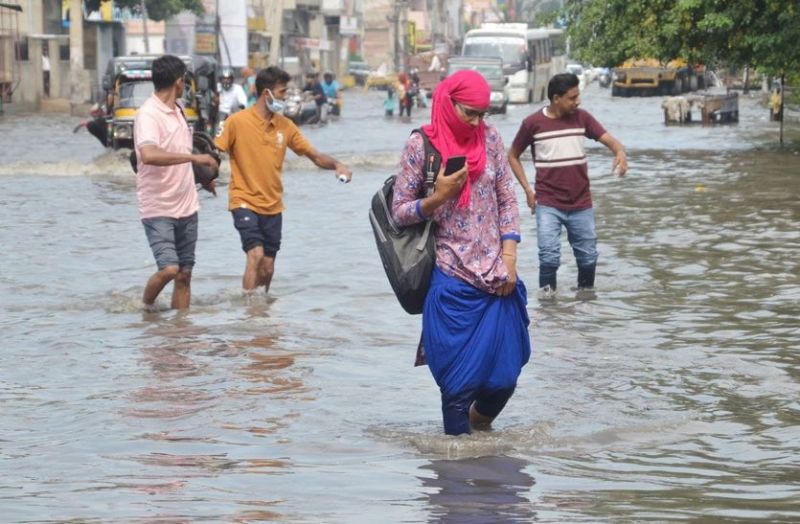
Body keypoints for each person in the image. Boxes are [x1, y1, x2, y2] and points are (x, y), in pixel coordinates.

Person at [391, 70, 531, 436]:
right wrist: (438, 197)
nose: (476, 121)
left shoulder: (491, 138)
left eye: (483, 113)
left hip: (497, 276)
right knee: (456, 387)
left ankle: (480, 437)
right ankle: (457, 476)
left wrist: (510, 258)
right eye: (469, 112)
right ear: (448, 103)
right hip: (451, 276)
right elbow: (399, 210)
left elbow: (507, 200)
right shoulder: (421, 145)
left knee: (503, 380)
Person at [214, 66, 352, 296]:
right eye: (281, 92)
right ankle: (248, 313)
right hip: (243, 200)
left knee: (267, 268)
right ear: (265, 92)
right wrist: (203, 175)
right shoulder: (236, 122)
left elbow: (315, 156)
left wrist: (338, 165)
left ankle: (261, 314)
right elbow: (213, 154)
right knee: (255, 255)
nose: (284, 97)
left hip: (273, 204)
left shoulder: (285, 126)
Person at [508, 73, 627, 294]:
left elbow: (611, 141)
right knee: (549, 256)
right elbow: (513, 155)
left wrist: (619, 152)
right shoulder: (532, 124)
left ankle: (586, 300)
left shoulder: (583, 119)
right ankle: (547, 304)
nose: (577, 101)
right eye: (572, 97)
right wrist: (527, 189)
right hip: (548, 203)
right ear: (556, 98)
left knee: (588, 256)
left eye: (577, 96)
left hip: (581, 202)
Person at [133, 55, 220, 310]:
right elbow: (148, 155)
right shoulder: (148, 114)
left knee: (184, 274)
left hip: (187, 205)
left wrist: (203, 179)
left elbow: (177, 150)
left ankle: (180, 333)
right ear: (178, 81)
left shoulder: (179, 111)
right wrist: (194, 156)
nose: (186, 86)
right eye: (185, 81)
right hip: (158, 207)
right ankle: (146, 308)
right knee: (170, 268)